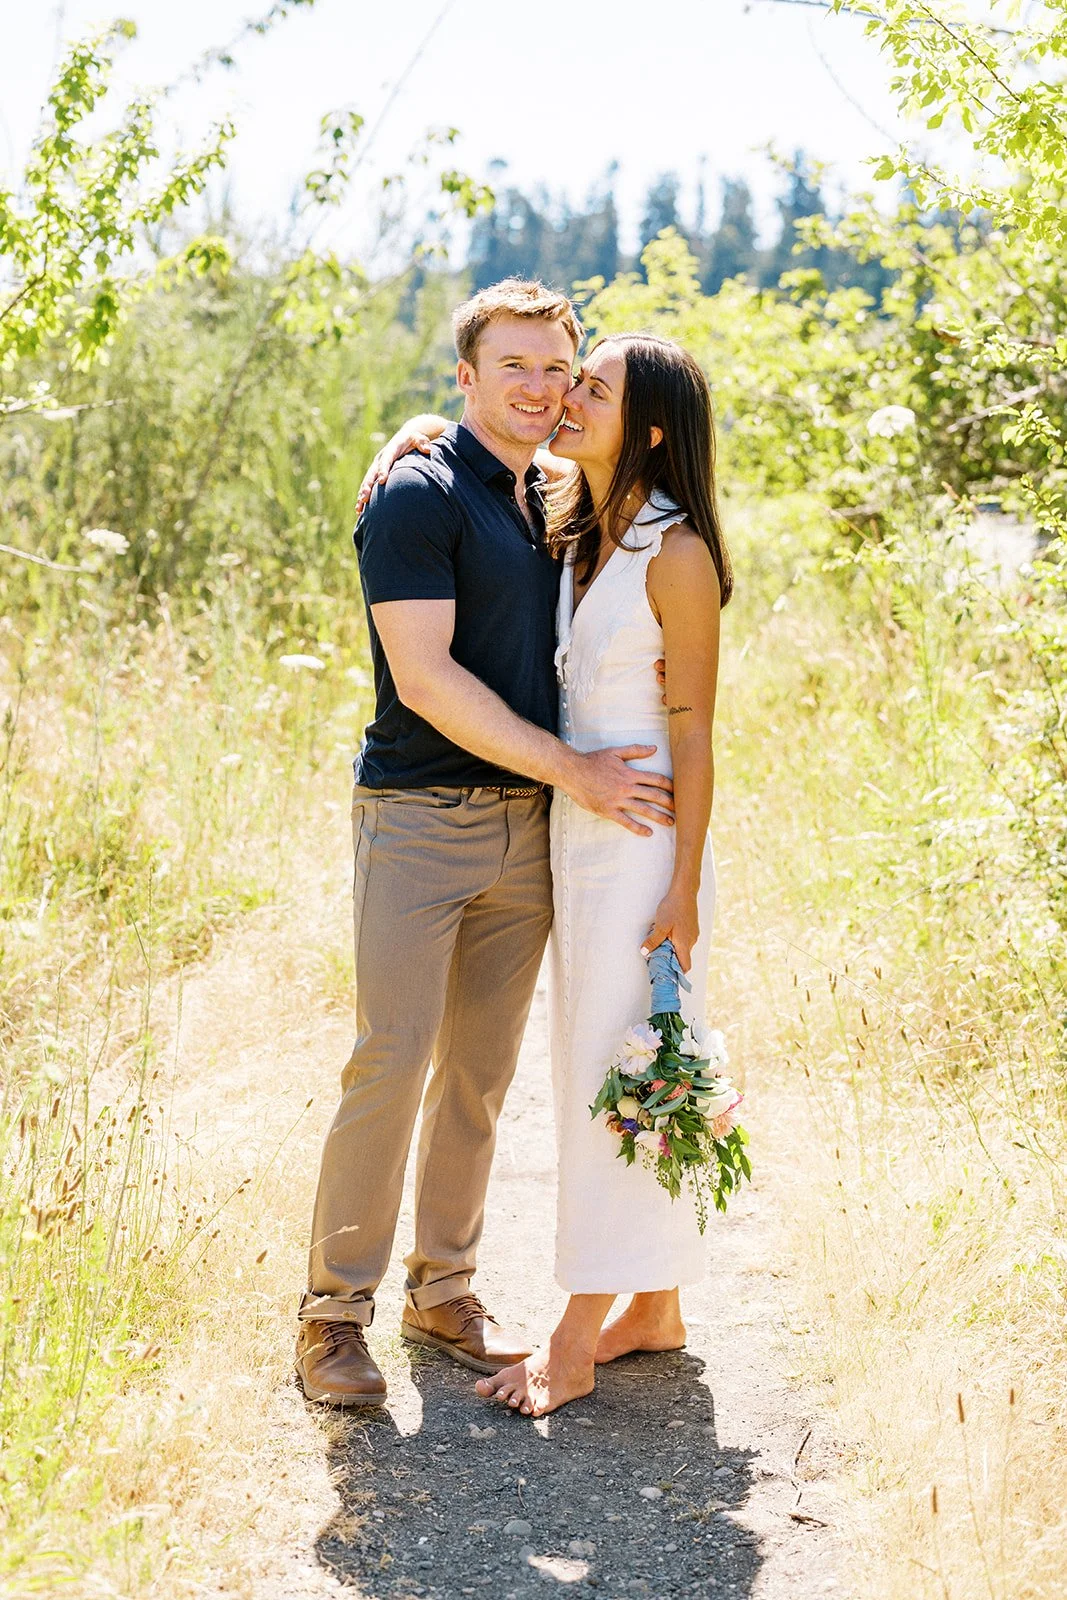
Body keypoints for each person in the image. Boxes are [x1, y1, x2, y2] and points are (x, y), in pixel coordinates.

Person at [295, 280, 677, 1408]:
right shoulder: (417, 490)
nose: (536, 385)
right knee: (392, 1059)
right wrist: (576, 771)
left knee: (479, 1074)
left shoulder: (550, 493)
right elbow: (424, 676)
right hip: (417, 820)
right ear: (463, 375)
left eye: (555, 367)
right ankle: (330, 1319)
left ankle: (444, 1288)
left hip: (527, 838)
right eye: (510, 364)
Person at [363, 331, 732, 1417]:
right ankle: (654, 1307)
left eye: (591, 388)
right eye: (566, 379)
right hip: (579, 828)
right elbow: (485, 461)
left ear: (650, 429)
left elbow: (698, 735)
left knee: (607, 1075)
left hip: (647, 840)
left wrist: (681, 891)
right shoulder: (585, 531)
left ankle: (575, 1335)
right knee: (620, 1055)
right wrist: (419, 429)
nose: (565, 398)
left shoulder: (675, 553)